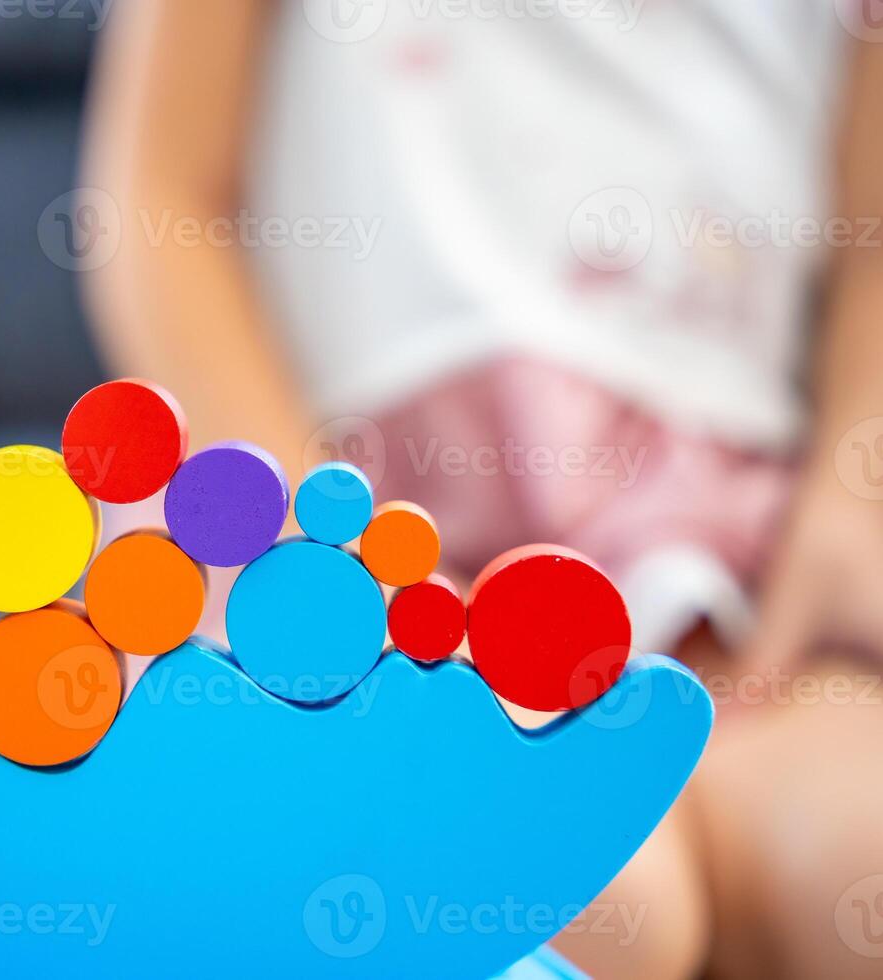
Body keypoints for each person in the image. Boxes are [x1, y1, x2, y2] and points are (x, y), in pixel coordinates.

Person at [79, 3, 883, 977]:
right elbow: (159, 203)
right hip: (345, 538)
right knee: (577, 908)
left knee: (852, 861)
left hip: (741, 578)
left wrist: (853, 493)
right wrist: (312, 560)